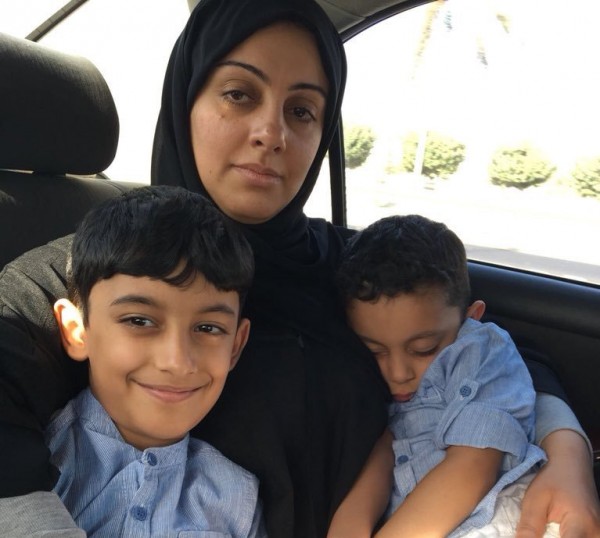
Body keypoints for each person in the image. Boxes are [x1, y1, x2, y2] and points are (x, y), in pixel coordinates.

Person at [0, 1, 599, 537]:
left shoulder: (353, 266)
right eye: (239, 94)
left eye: (303, 110)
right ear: (187, 100)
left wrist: (568, 456)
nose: (272, 133)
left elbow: (492, 346)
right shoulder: (103, 269)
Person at [46, 185, 265, 537]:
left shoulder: (237, 499)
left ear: (236, 346)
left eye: (208, 328)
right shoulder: (32, 461)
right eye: (139, 320)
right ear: (77, 331)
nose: (177, 361)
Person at [333, 214, 562, 537]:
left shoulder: (481, 350)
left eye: (424, 349)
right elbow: (384, 452)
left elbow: (472, 465)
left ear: (471, 318)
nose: (398, 373)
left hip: (501, 517)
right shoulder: (380, 393)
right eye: (375, 351)